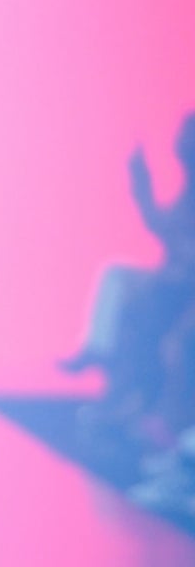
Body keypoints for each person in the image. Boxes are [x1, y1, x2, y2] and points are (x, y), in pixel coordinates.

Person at [62, 115, 195, 440]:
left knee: (163, 333)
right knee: (117, 278)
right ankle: (99, 349)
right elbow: (165, 227)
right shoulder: (189, 191)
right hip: (171, 283)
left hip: (182, 288)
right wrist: (140, 181)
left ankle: (158, 415)